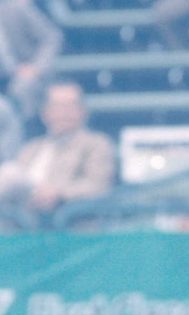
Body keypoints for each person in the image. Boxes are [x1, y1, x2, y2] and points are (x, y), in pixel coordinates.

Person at [0, 80, 114, 226]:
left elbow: (98, 185)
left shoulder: (97, 144)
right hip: (22, 213)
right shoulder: (31, 148)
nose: (64, 113)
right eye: (57, 106)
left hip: (64, 218)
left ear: (83, 112)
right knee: (9, 174)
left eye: (71, 106)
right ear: (45, 113)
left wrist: (60, 193)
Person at [0, 0, 63, 121]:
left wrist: (36, 67)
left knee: (23, 87)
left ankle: (26, 127)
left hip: (24, 75)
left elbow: (51, 38)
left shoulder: (15, 9)